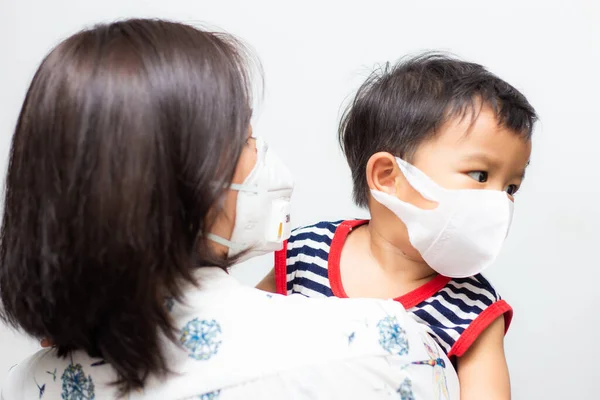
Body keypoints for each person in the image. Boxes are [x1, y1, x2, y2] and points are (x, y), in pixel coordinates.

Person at [0, 19, 460, 399]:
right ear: (184, 178)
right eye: (243, 138)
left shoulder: (21, 386)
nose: (260, 157)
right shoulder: (382, 348)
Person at [258, 54, 537, 399]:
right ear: (388, 177)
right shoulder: (306, 251)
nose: (499, 201)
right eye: (480, 175)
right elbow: (242, 339)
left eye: (511, 187)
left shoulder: (475, 309)